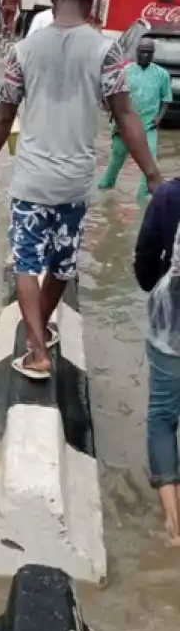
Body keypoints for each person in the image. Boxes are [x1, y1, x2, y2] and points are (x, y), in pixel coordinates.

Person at [0, 0, 162, 380]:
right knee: (61, 264)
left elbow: (4, 116)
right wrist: (151, 173)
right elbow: (126, 117)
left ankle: (36, 348)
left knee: (25, 261)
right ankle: (40, 331)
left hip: (32, 178)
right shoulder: (105, 50)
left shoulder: (21, 51)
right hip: (75, 182)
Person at [135, 180, 180, 543]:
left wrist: (157, 291)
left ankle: (173, 522)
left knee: (163, 417)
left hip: (172, 327)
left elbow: (145, 261)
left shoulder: (169, 196)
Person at [99, 37, 172, 198]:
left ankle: (143, 198)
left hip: (148, 126)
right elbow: (112, 98)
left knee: (150, 162)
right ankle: (104, 190)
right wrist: (114, 118)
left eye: (148, 53)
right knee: (115, 161)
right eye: (142, 52)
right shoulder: (125, 72)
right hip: (125, 127)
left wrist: (158, 119)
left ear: (153, 55)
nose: (145, 56)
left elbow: (166, 99)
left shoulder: (162, 75)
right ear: (136, 52)